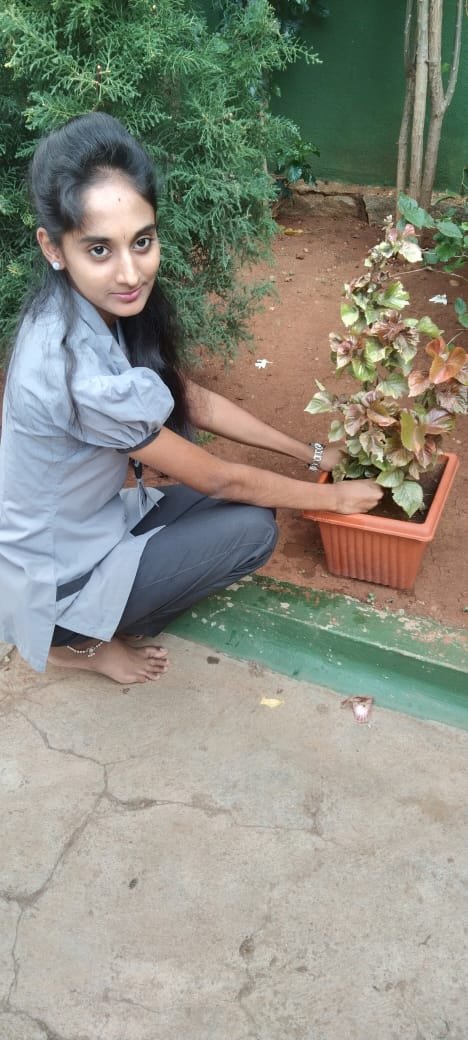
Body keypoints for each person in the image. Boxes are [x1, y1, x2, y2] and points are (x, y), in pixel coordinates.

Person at [0, 113, 383, 685]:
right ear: (53, 248)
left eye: (142, 242)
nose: (130, 273)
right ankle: (77, 643)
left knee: (248, 511)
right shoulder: (76, 372)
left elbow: (189, 399)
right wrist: (334, 499)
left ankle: (87, 622)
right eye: (99, 249)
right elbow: (220, 479)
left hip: (90, 526)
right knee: (252, 531)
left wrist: (311, 453)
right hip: (55, 580)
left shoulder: (89, 306)